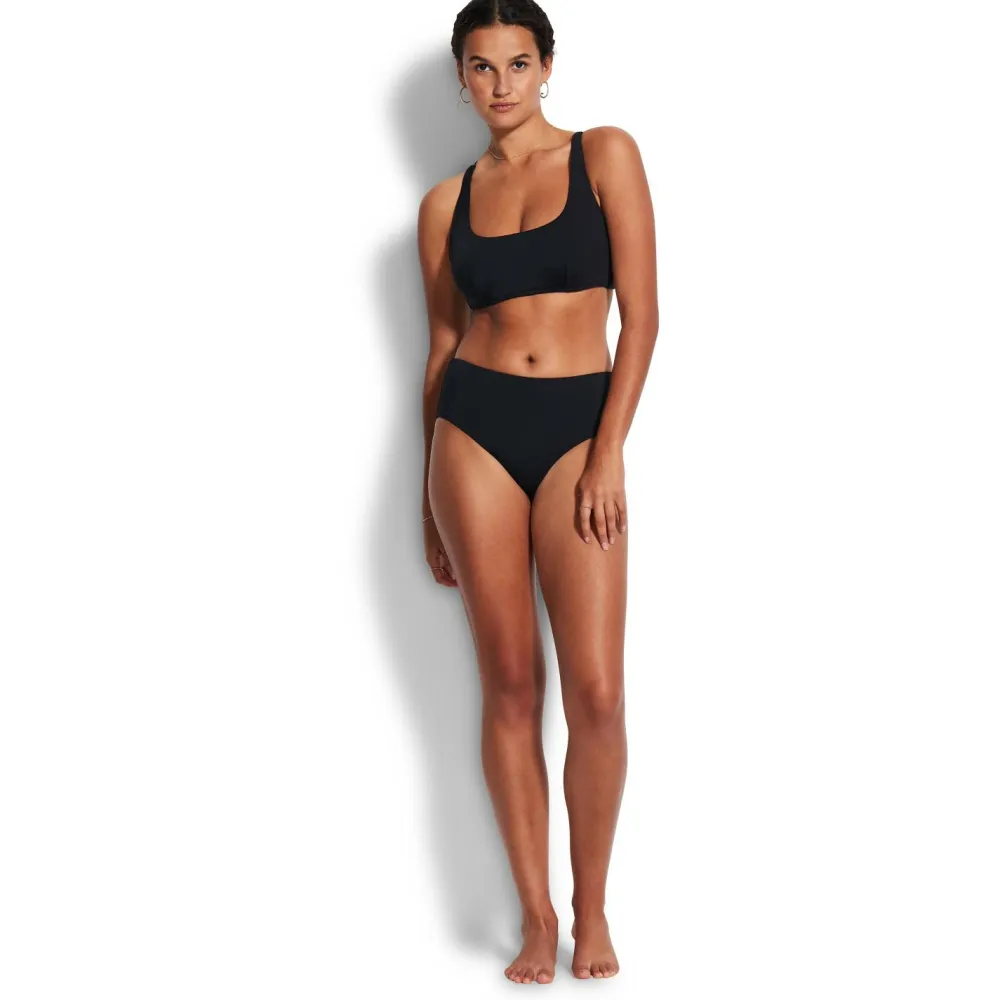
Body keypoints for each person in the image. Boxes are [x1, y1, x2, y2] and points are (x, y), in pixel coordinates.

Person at [416, 0, 657, 984]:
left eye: (518, 62)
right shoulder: (444, 204)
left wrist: (608, 454)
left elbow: (641, 318)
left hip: (576, 434)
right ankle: (533, 913)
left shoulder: (606, 155)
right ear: (461, 80)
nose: (501, 83)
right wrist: (423, 501)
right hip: (470, 436)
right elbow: (440, 348)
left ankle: (591, 910)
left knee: (596, 691)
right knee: (510, 684)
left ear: (547, 66)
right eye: (481, 67)